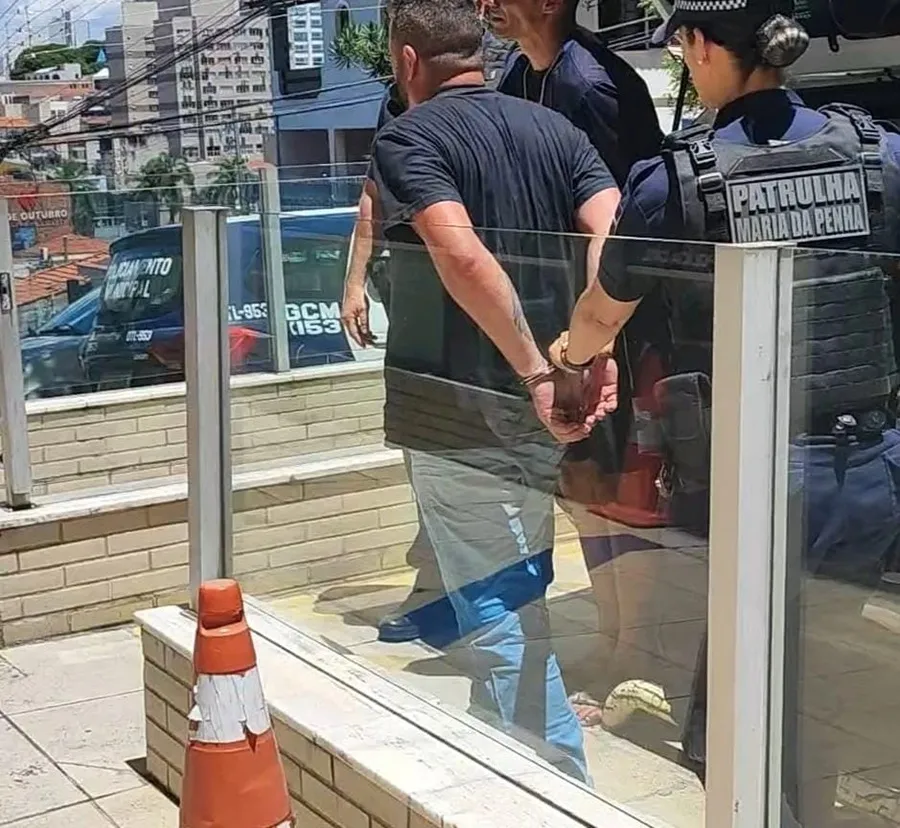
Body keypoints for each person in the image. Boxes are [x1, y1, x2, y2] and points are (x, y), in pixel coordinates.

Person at [546, 0, 900, 822]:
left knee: (747, 697)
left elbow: (602, 315)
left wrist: (568, 357)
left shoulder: (677, 182)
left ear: (703, 46)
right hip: (868, 471)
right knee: (817, 670)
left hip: (752, 481)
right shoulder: (875, 151)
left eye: (682, 44)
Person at [370, 0, 620, 781]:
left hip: (458, 414)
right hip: (548, 411)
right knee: (518, 589)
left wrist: (538, 370)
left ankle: (558, 784)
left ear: (408, 60)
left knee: (495, 611)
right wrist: (592, 349)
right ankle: (499, 763)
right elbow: (613, 229)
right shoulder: (557, 129)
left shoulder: (408, 137)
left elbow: (461, 255)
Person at [483, 0, 673, 727]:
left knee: (626, 489)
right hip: (563, 324)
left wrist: (596, 344)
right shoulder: (517, 75)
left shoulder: (591, 85)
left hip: (617, 329)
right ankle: (612, 637)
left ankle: (637, 656)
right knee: (584, 486)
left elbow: (622, 230)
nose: (486, 4)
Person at [341, 34, 513, 645]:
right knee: (426, 454)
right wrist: (354, 281)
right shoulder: (399, 106)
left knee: (469, 460)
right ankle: (441, 589)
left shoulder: (503, 91)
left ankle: (469, 597)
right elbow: (373, 192)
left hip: (482, 310)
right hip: (422, 305)